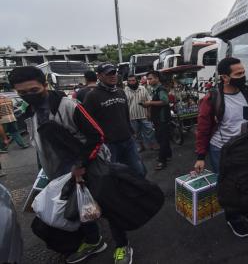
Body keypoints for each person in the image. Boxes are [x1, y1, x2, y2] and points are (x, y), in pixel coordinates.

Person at [8, 66, 112, 263]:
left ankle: (94, 242)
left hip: (80, 170)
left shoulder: (69, 106)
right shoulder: (30, 111)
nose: (28, 95)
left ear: (45, 85)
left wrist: (81, 166)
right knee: (76, 208)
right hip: (55, 171)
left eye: (34, 90)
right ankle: (87, 235)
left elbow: (97, 136)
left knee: (82, 207)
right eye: (22, 93)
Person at [194, 57, 248, 238]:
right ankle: (233, 217)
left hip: (244, 147)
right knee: (228, 185)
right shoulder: (212, 99)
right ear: (225, 77)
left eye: (243, 72)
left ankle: (247, 210)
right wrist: (200, 156)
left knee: (247, 180)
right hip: (221, 150)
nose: (243, 76)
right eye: (238, 73)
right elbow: (202, 129)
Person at [84, 63, 146, 178]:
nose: (113, 76)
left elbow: (126, 114)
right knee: (114, 176)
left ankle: (139, 193)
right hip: (109, 145)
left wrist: (131, 131)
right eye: (108, 74)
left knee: (139, 171)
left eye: (114, 73)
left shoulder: (120, 92)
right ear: (99, 76)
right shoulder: (92, 96)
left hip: (128, 141)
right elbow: (87, 123)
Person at [143, 71, 172, 170]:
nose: (149, 81)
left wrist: (150, 103)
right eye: (148, 79)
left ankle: (162, 161)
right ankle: (167, 155)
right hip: (158, 119)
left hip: (163, 119)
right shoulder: (154, 90)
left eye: (150, 79)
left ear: (157, 79)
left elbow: (165, 101)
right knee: (163, 138)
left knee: (162, 139)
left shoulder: (160, 89)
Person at [124, 74, 157, 152]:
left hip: (144, 114)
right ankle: (141, 146)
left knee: (150, 130)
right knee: (136, 133)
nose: (131, 82)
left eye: (133, 80)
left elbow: (149, 101)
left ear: (137, 81)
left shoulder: (143, 89)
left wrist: (149, 112)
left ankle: (152, 144)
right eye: (129, 81)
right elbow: (124, 106)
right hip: (132, 116)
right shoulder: (124, 91)